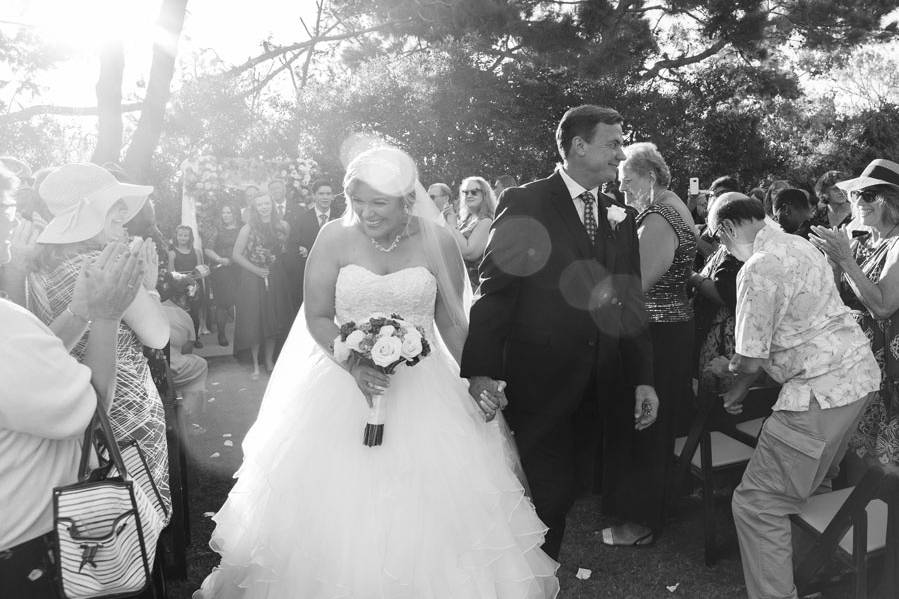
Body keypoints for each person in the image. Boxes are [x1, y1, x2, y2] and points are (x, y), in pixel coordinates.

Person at [195, 146, 560, 598]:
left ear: (407, 199)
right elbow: (318, 315)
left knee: (434, 504)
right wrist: (352, 361)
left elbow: (448, 319)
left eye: (378, 203)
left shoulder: (438, 240)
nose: (365, 213)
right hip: (339, 384)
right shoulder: (333, 237)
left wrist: (477, 373)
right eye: (358, 201)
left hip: (426, 388)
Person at [461, 105, 658, 560]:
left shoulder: (619, 214)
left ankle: (538, 573)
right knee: (544, 495)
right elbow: (497, 291)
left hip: (600, 383)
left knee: (568, 492)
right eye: (613, 143)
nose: (620, 153)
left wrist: (643, 377)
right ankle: (532, 577)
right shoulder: (527, 201)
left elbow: (630, 303)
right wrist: (481, 371)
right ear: (578, 146)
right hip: (539, 380)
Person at [706, 193, 879, 599]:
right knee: (813, 485)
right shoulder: (800, 243)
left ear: (728, 228)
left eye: (720, 239)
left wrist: (731, 382)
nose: (723, 248)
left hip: (817, 393)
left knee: (757, 505)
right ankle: (804, 577)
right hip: (858, 380)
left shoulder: (758, 267)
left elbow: (750, 360)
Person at [1, 229, 146, 599]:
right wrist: (108, 315)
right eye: (4, 207)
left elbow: (31, 373)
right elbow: (92, 409)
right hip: (34, 551)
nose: (14, 222)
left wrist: (79, 311)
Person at [26, 162, 172, 517]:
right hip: (125, 411)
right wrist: (149, 291)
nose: (123, 214)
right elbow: (158, 335)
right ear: (91, 213)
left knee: (99, 522)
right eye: (115, 207)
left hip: (72, 415)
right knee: (137, 522)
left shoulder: (36, 268)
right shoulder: (109, 264)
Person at [602, 142, 697, 545]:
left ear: (651, 177)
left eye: (627, 184)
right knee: (657, 419)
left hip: (658, 332)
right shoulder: (676, 206)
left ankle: (641, 523)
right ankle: (659, 503)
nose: (623, 193)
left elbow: (636, 285)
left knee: (647, 422)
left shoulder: (659, 217)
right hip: (673, 329)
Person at [810, 159, 899, 472]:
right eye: (856, 194)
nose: (858, 201)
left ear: (891, 201)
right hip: (853, 361)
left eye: (868, 195)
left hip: (887, 366)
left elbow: (885, 306)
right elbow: (833, 300)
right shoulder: (859, 241)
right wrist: (832, 264)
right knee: (846, 453)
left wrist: (845, 261)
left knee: (879, 464)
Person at [232, 194, 290, 380]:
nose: (264, 207)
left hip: (275, 278)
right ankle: (256, 364)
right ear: (255, 208)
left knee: (272, 320)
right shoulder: (248, 228)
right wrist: (257, 270)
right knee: (255, 322)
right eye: (260, 205)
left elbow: (283, 251)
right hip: (252, 279)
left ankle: (270, 360)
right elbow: (236, 255)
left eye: (267, 203)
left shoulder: (283, 226)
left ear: (272, 204)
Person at [160, 293, 209, 434]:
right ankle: (190, 417)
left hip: (155, 369)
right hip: (172, 370)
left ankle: (183, 411)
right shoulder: (184, 316)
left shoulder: (155, 308)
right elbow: (188, 350)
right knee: (200, 364)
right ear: (182, 298)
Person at [290, 178, 340, 312]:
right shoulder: (302, 219)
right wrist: (300, 249)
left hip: (337, 276)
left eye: (328, 194)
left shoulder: (342, 218)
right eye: (321, 194)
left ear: (333, 196)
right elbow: (292, 245)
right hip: (309, 277)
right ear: (314, 196)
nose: (325, 197)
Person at [444, 176, 495, 289]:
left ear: (484, 194)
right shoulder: (467, 219)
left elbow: (469, 253)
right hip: (459, 282)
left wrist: (452, 225)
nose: (469, 195)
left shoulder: (486, 221)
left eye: (474, 192)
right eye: (465, 192)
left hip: (472, 287)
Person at [204, 203, 241, 346]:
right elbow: (207, 249)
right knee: (223, 303)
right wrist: (220, 259)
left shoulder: (242, 228)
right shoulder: (216, 230)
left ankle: (242, 333)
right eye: (223, 212)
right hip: (222, 269)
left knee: (240, 301)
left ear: (235, 214)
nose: (226, 215)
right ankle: (221, 334)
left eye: (229, 212)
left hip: (240, 268)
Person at [168, 224, 208, 346]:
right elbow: (171, 273)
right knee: (182, 313)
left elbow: (201, 271)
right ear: (176, 236)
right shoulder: (172, 253)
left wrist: (195, 276)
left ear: (190, 237)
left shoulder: (196, 252)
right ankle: (182, 338)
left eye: (186, 235)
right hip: (179, 288)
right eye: (180, 235)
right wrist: (184, 278)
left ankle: (195, 338)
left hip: (194, 287)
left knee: (195, 313)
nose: (183, 238)